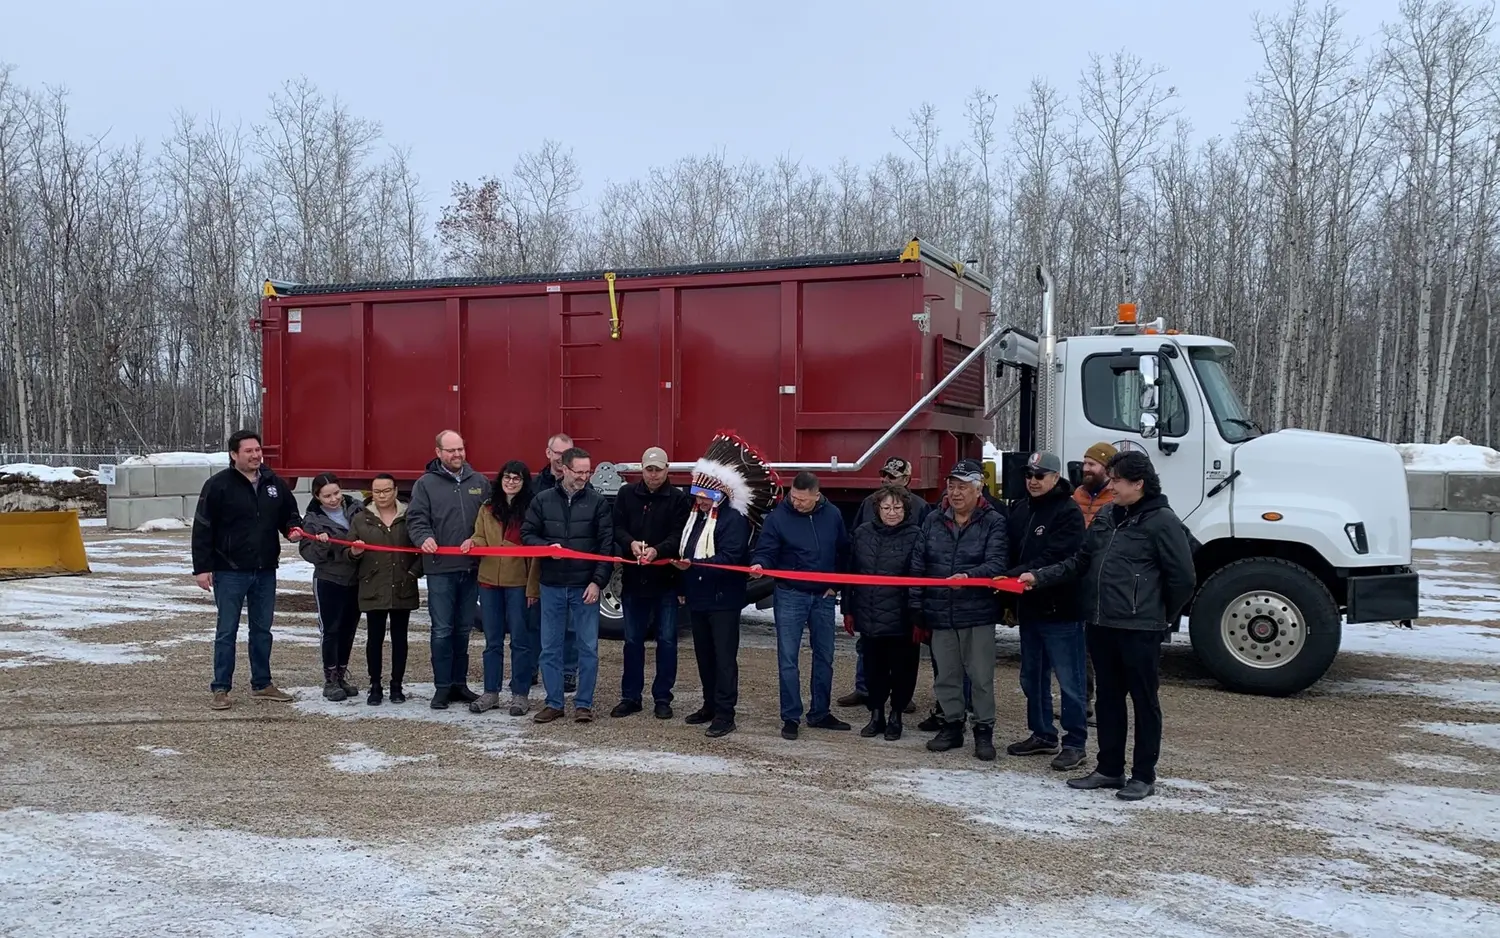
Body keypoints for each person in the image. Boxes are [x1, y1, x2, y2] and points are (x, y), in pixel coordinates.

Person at [1020, 450, 1196, 801]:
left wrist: (1159, 616)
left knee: (1144, 702)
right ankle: (1109, 768)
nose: (1110, 486)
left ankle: (1143, 774)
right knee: (1108, 700)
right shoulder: (1107, 516)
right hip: (1101, 624)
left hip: (1140, 628)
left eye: (1116, 481)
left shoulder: (1162, 521)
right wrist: (1039, 577)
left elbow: (1183, 578)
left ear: (1139, 484)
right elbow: (1080, 561)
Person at [671, 433, 776, 738]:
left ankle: (726, 713)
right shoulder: (695, 519)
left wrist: (695, 566)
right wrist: (683, 582)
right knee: (704, 654)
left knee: (724, 658)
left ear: (718, 495)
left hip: (724, 600)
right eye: (697, 495)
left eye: (704, 495)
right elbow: (685, 551)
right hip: (699, 597)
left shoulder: (733, 521)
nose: (698, 500)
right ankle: (709, 705)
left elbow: (731, 556)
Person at [192, 429, 303, 710]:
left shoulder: (273, 483)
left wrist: (292, 528)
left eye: (258, 450)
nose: (256, 455)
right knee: (227, 631)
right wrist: (202, 568)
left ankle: (262, 683)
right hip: (230, 571)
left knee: (262, 630)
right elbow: (203, 528)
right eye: (249, 451)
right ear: (233, 455)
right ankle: (221, 688)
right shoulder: (217, 486)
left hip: (265, 569)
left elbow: (288, 514)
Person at [909, 459, 1008, 760]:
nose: (955, 492)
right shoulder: (932, 520)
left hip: (976, 612)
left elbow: (997, 564)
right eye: (951, 486)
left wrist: (969, 578)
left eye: (962, 487)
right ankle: (952, 725)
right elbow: (918, 564)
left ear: (979, 490)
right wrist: (916, 604)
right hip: (940, 611)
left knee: (980, 677)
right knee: (946, 676)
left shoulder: (994, 522)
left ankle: (983, 730)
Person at [1002, 452, 1088, 770]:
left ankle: (1075, 742)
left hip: (1061, 609)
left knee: (1070, 680)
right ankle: (1042, 733)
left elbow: (1059, 557)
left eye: (1040, 475)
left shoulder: (1067, 512)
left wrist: (1014, 574)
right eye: (1029, 475)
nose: (1033, 481)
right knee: (1031, 677)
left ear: (1055, 478)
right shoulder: (1021, 509)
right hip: (1031, 609)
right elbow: (1009, 549)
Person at [752, 471, 852, 740]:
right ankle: (791, 717)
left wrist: (836, 585)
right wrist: (761, 564)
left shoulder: (832, 515)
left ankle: (820, 713)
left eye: (803, 500)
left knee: (825, 656)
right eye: (794, 497)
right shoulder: (778, 517)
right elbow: (766, 549)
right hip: (790, 594)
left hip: (823, 596)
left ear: (817, 496)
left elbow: (844, 549)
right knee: (788, 659)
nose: (796, 503)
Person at [522, 446, 614, 724]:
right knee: (550, 646)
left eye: (588, 472)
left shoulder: (598, 503)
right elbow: (527, 534)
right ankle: (554, 703)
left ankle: (583, 704)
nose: (584, 477)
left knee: (588, 647)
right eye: (579, 471)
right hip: (551, 585)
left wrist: (598, 582)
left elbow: (605, 546)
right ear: (564, 468)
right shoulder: (542, 500)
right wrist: (546, 547)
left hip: (584, 586)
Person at [408, 429, 489, 710]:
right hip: (440, 569)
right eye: (451, 450)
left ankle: (459, 684)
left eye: (461, 449)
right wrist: (424, 537)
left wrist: (478, 541)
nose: (457, 455)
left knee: (463, 629)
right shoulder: (425, 484)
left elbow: (489, 520)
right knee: (442, 629)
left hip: (471, 569)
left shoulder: (479, 482)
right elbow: (416, 518)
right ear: (438, 452)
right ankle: (442, 687)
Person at [839, 457, 928, 710]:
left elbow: (923, 558)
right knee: (868, 650)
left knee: (902, 656)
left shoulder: (921, 508)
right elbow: (854, 550)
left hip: (901, 600)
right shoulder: (868, 503)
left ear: (907, 480)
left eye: (893, 477)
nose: (886, 480)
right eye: (885, 475)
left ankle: (901, 698)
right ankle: (864, 689)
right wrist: (849, 605)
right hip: (870, 599)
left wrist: (918, 608)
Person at [611, 446, 692, 720]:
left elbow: (679, 535)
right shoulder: (626, 494)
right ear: (641, 470)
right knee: (632, 640)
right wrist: (630, 544)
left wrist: (658, 550)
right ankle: (630, 696)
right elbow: (617, 527)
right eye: (649, 469)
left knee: (667, 641)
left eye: (658, 469)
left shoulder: (679, 499)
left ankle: (662, 697)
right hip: (634, 580)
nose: (653, 475)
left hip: (665, 581)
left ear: (667, 469)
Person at [469, 461, 542, 715]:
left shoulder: (532, 510)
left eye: (517, 478)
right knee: (492, 641)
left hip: (518, 584)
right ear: (500, 479)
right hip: (489, 582)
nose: (511, 482)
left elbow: (535, 554)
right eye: (507, 477)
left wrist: (533, 588)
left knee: (521, 641)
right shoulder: (487, 508)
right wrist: (472, 542)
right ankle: (491, 692)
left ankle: (520, 694)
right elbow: (480, 537)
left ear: (524, 483)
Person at [347, 474, 422, 705]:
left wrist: (412, 573)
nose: (382, 495)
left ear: (395, 490)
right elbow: (347, 552)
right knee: (374, 638)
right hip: (373, 585)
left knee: (400, 638)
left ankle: (397, 685)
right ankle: (375, 685)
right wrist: (354, 552)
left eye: (386, 490)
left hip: (402, 584)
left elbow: (422, 547)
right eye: (377, 491)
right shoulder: (361, 519)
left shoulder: (409, 516)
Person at [297, 473, 366, 701]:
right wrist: (321, 544)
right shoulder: (312, 520)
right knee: (331, 630)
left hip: (355, 578)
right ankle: (330, 679)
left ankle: (341, 674)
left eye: (336, 493)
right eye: (327, 496)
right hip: (329, 579)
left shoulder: (357, 508)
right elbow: (308, 553)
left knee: (348, 629)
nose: (334, 499)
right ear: (317, 497)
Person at [1074, 441, 1117, 725]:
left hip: (1105, 584)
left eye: (1092, 464)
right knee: (1081, 646)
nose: (1086, 469)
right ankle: (1082, 702)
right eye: (1085, 463)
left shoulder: (1116, 500)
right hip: (1078, 579)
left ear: (1107, 469)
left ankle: (1107, 704)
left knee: (1105, 649)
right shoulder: (1075, 496)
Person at [533, 432, 579, 693]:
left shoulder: (583, 485)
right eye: (559, 454)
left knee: (571, 627)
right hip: (541, 565)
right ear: (548, 453)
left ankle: (568, 673)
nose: (563, 460)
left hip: (572, 568)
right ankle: (533, 670)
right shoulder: (536, 486)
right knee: (537, 624)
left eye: (568, 455)